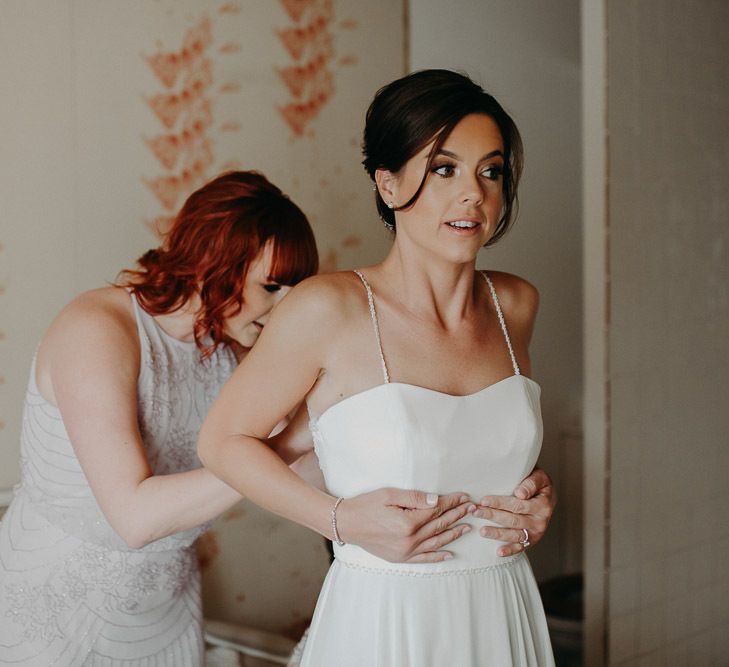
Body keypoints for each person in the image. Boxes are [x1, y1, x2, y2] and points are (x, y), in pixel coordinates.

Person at [0, 169, 553, 666]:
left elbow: (307, 465)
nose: (284, 307)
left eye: (294, 288)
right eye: (271, 286)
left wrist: (473, 480)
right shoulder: (97, 328)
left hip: (165, 612)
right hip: (51, 611)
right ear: (211, 264)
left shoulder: (232, 353)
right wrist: (250, 453)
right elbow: (134, 518)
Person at [198, 70, 556, 666]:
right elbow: (222, 442)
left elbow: (481, 446)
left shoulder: (515, 304)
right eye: (444, 168)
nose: (473, 193)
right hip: (387, 614)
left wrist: (535, 496)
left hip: (500, 604)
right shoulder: (327, 308)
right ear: (388, 186)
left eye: (489, 171)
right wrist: (341, 520)